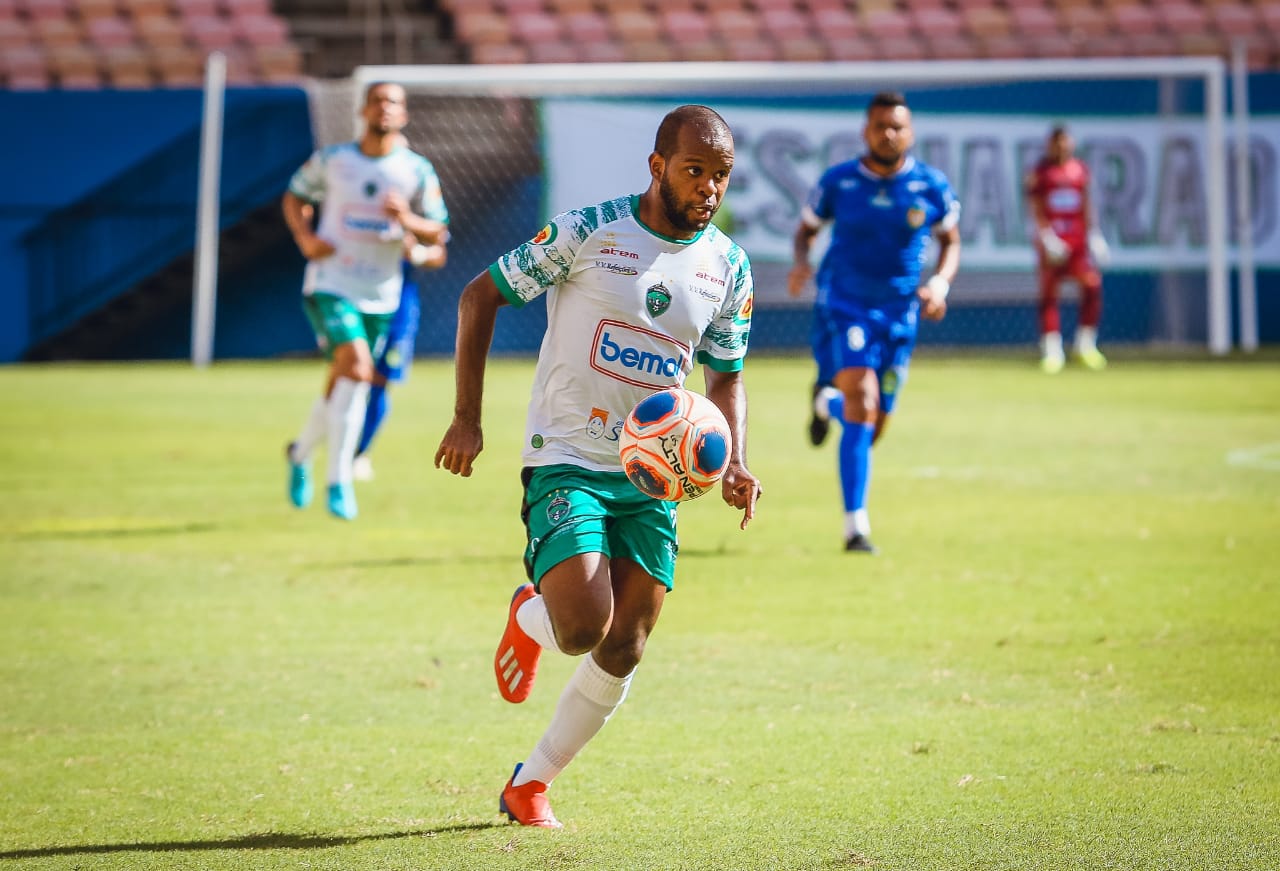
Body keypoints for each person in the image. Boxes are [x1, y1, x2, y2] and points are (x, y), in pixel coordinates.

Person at [435, 105, 763, 829]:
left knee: (628, 642)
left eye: (721, 176)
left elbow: (726, 375)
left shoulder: (729, 266)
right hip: (570, 457)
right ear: (657, 167)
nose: (709, 188)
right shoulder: (588, 233)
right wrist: (467, 415)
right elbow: (479, 294)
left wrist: (735, 458)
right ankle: (532, 611)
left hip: (654, 477)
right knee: (582, 625)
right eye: (694, 171)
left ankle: (531, 783)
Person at [787, 91, 961, 554]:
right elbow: (805, 230)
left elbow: (951, 241)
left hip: (900, 312)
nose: (889, 133)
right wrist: (802, 263)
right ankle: (855, 527)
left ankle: (827, 404)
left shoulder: (932, 187)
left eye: (897, 126)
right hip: (847, 303)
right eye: (880, 125)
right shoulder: (839, 182)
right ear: (865, 131)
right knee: (862, 401)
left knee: (874, 421)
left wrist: (940, 284)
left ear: (911, 132)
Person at [281, 82, 449, 520]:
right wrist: (305, 237)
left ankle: (300, 454)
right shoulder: (336, 160)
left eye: (393, 102)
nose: (384, 108)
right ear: (363, 109)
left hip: (382, 293)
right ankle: (339, 481)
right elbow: (296, 194)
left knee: (348, 379)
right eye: (377, 100)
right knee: (356, 367)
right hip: (331, 281)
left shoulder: (416, 170)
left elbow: (437, 230)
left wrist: (406, 219)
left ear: (404, 114)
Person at [352, 237, 448, 482]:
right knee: (350, 376)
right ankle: (314, 449)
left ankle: (361, 453)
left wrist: (413, 250)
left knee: (379, 382)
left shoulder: (418, 207)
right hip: (356, 301)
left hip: (397, 313)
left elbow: (438, 253)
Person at [1025, 124, 1110, 374]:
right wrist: (1046, 236)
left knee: (1092, 285)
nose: (1062, 147)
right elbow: (1035, 207)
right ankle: (1052, 351)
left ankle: (1085, 345)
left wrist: (1094, 234)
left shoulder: (1079, 171)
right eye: (1057, 142)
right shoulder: (1040, 173)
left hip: (1077, 241)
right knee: (1050, 291)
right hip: (1053, 242)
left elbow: (1086, 204)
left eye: (1066, 142)